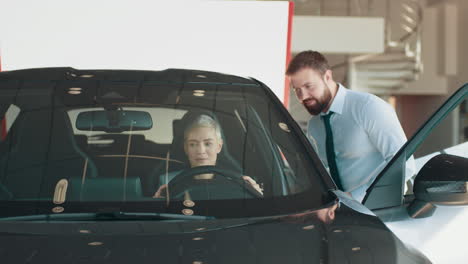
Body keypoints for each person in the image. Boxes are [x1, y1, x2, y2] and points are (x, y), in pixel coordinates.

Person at [286, 50, 414, 202]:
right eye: (297, 90)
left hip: (383, 209)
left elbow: (404, 164)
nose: (303, 96)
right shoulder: (315, 126)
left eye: (309, 86)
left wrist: (354, 198)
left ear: (327, 77)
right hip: (344, 214)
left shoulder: (368, 107)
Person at [153, 114, 262, 198]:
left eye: (208, 144)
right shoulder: (171, 185)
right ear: (186, 148)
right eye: (193, 144)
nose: (200, 151)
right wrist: (158, 204)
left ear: (219, 146)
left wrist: (255, 196)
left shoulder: (237, 184)